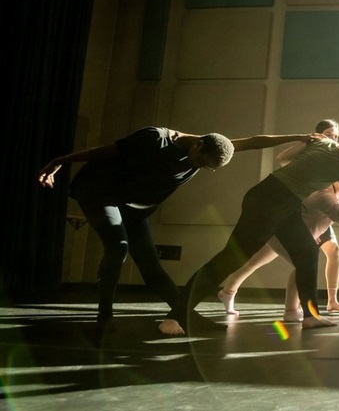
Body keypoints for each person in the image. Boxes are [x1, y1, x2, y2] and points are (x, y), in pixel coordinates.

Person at [37, 126, 317, 336]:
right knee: (119, 247)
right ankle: (104, 317)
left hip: (134, 206)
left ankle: (184, 315)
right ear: (197, 147)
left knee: (152, 269)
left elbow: (254, 142)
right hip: (102, 195)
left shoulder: (213, 146)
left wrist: (300, 137)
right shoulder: (153, 138)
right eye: (203, 164)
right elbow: (104, 152)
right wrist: (59, 161)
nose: (202, 169)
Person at [163, 125, 339, 335]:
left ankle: (311, 316)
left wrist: (307, 166)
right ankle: (175, 316)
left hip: (282, 202)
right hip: (269, 202)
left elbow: (283, 159)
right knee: (230, 259)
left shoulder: (323, 142)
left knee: (308, 252)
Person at [218, 120, 339, 316]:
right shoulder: (317, 153)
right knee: (261, 259)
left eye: (336, 135)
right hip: (301, 214)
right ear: (317, 135)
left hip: (319, 217)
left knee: (326, 252)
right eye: (329, 134)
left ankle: (325, 302)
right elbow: (283, 160)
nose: (333, 139)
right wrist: (305, 143)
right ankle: (236, 292)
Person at [217, 182, 339, 320]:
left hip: (294, 231)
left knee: (256, 261)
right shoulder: (325, 194)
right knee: (302, 263)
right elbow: (337, 213)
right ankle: (291, 310)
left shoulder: (337, 195)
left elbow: (318, 217)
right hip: (281, 229)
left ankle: (228, 292)